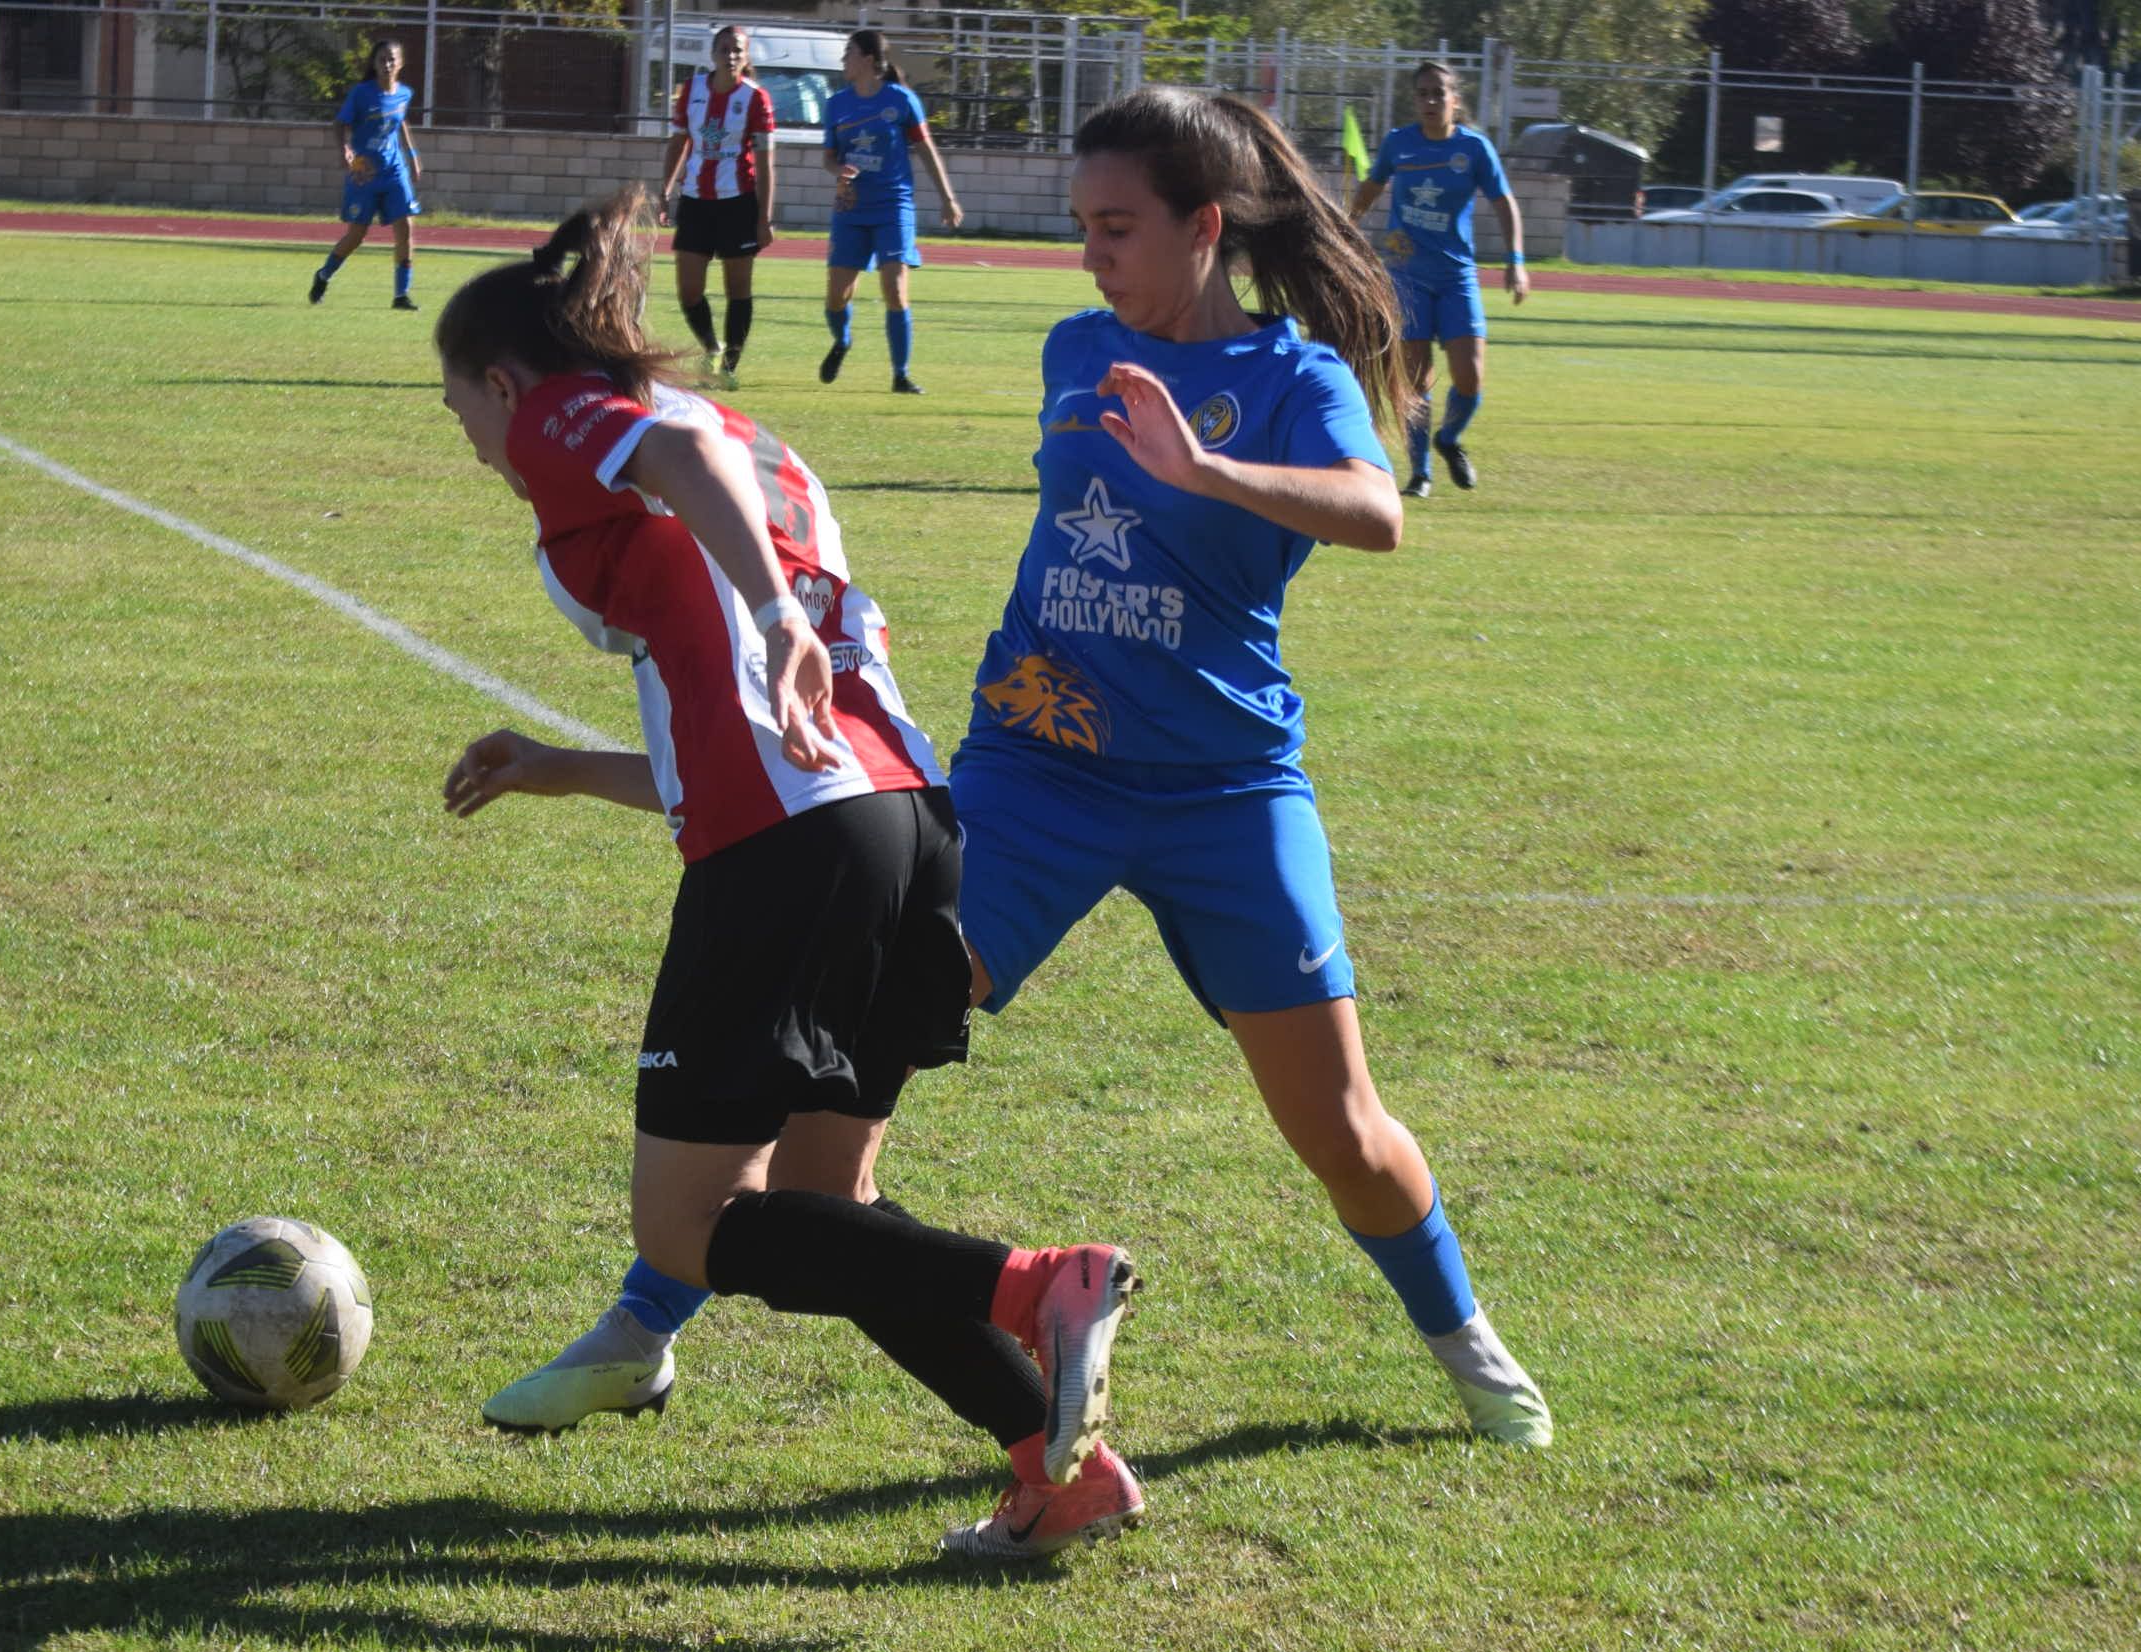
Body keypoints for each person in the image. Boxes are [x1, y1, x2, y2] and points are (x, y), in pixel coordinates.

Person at [486, 88, 1555, 1463]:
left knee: (1341, 1128)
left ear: (1205, 228)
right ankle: (640, 1330)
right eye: (1081, 226)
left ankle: (1467, 1346)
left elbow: (1377, 514)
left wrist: (1209, 464)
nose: (1091, 253)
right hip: (1033, 781)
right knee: (838, 1064)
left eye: (1117, 227)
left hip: (1229, 796)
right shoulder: (1075, 348)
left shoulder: (1300, 379)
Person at [433, 189, 1147, 1560]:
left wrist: (770, 618)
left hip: (795, 847)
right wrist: (558, 764)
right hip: (901, 827)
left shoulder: (570, 418)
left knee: (696, 1228)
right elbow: (761, 733)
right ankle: (1058, 1472)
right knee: (829, 1213)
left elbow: (679, 484)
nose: (473, 440)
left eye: (460, 405)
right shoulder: (759, 449)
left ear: (508, 379)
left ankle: (1038, 1284)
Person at [1344, 61, 1525, 496]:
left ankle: (1449, 439)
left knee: (1470, 377)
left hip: (1457, 277)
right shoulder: (1398, 144)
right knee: (1416, 380)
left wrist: (1515, 259)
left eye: (1438, 93)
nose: (1429, 101)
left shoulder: (1475, 149)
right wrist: (1345, 227)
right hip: (1406, 276)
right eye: (1422, 93)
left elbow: (1504, 202)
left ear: (1454, 100)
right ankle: (1420, 473)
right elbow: (1371, 187)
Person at [817, 28, 961, 395]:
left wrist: (947, 197)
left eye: (848, 52)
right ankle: (843, 339)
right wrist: (840, 172)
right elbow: (830, 158)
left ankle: (900, 374)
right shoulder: (836, 104)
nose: (842, 60)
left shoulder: (901, 100)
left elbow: (926, 149)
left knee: (895, 289)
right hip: (850, 210)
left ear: (867, 59)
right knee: (837, 296)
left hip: (894, 206)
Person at [659, 22, 777, 386]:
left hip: (738, 204)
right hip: (696, 202)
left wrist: (764, 217)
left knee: (737, 289)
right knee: (689, 290)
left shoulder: (756, 97)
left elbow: (766, 161)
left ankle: (729, 367)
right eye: (724, 49)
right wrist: (665, 189)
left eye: (737, 50)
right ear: (712, 55)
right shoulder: (692, 90)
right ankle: (711, 347)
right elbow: (679, 143)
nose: (730, 56)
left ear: (746, 57)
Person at [309, 41, 425, 311]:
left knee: (406, 228)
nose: (387, 65)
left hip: (395, 170)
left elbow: (401, 121)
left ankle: (401, 295)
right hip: (365, 173)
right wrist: (344, 149)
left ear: (401, 63)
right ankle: (323, 275)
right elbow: (340, 123)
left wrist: (413, 156)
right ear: (374, 64)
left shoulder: (405, 94)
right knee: (356, 235)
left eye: (392, 60)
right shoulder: (362, 93)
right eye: (382, 60)